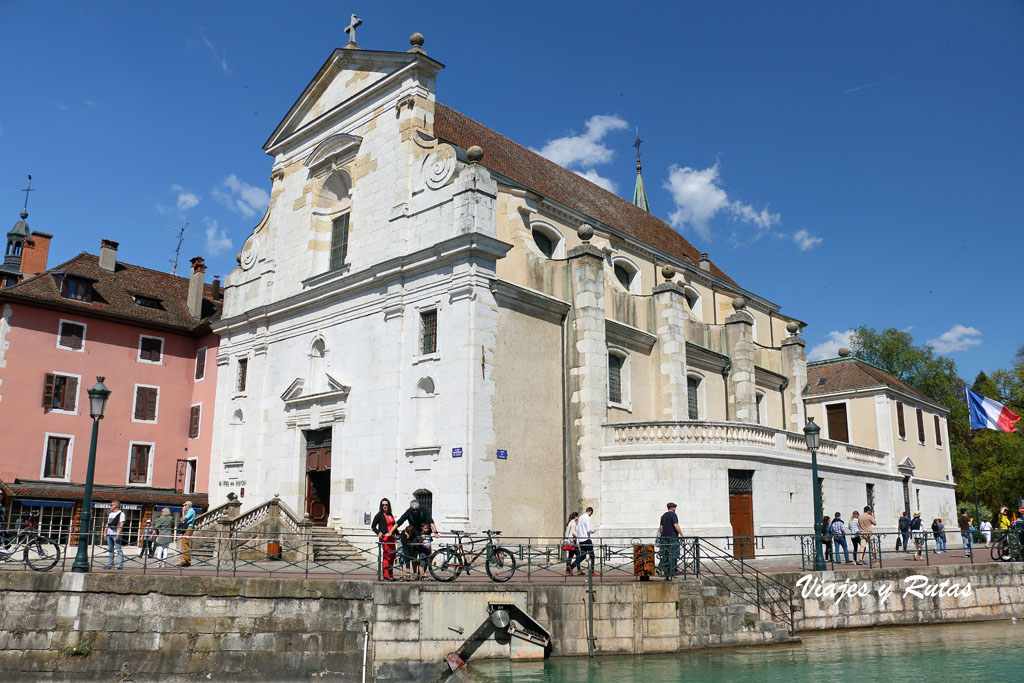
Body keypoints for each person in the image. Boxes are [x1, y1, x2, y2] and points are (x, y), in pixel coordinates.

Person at [371, 498, 397, 580]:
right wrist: (378, 532)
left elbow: (394, 526)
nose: (385, 506)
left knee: (392, 556)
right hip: (385, 538)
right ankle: (386, 576)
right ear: (381, 506)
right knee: (387, 556)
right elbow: (373, 526)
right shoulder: (379, 515)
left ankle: (391, 574)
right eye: (383, 505)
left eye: (386, 505)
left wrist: (399, 534)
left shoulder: (390, 514)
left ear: (389, 505)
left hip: (392, 538)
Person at [658, 503, 682, 580]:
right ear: (673, 508)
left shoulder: (663, 516)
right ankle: (672, 569)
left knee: (665, 554)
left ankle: (661, 569)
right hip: (673, 538)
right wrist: (681, 534)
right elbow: (676, 525)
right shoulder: (673, 515)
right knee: (675, 553)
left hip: (665, 538)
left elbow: (661, 528)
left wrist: (663, 535)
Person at [571, 506, 595, 576]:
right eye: (591, 514)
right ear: (590, 512)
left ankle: (571, 567)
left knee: (583, 555)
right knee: (592, 555)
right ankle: (592, 572)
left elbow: (578, 529)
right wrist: (593, 531)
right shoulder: (587, 517)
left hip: (581, 540)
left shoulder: (581, 517)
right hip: (586, 539)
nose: (591, 515)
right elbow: (589, 529)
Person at [105, 500, 125, 569]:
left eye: (111, 505)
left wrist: (118, 534)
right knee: (110, 549)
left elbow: (121, 524)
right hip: (109, 533)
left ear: (115, 506)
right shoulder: (111, 514)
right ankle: (111, 564)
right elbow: (107, 523)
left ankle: (120, 565)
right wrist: (105, 532)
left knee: (118, 549)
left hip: (115, 533)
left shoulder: (121, 514)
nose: (110, 506)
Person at [179, 501, 195, 567]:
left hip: (188, 528)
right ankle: (185, 560)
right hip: (187, 528)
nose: (184, 507)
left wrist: (183, 511)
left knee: (185, 544)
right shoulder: (190, 511)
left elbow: (184, 518)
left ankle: (185, 561)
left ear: (188, 505)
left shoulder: (191, 511)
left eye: (185, 505)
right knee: (184, 544)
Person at [563, 511, 579, 577]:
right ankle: (571, 568)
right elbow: (573, 532)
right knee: (579, 555)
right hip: (572, 542)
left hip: (569, 542)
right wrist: (579, 536)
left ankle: (567, 571)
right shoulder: (573, 523)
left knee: (570, 556)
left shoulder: (570, 522)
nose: (578, 517)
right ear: (575, 517)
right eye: (577, 516)